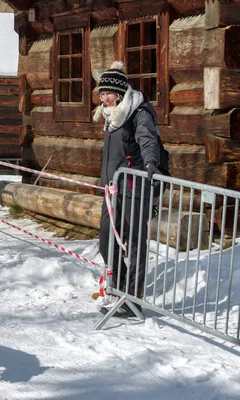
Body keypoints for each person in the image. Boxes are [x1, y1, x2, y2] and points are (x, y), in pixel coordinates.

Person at [94, 61, 162, 318]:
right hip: (112, 189)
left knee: (134, 244)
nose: (104, 98)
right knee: (105, 241)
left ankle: (133, 300)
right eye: (101, 94)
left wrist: (151, 163)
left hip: (134, 187)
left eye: (108, 93)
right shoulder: (111, 116)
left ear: (120, 93)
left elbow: (147, 140)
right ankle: (123, 289)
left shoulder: (138, 113)